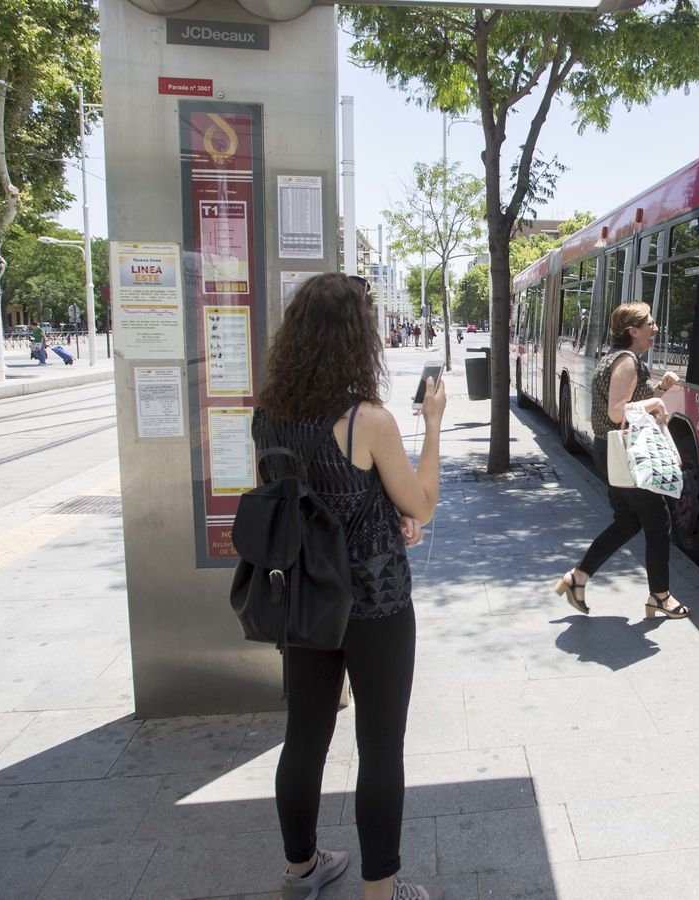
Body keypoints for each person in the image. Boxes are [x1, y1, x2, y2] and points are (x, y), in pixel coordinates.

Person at [253, 272, 446, 900]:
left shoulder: (269, 415)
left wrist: (386, 515)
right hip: (375, 600)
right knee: (381, 744)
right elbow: (422, 503)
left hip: (304, 594)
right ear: (358, 340)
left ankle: (301, 870)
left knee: (304, 733)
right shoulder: (369, 420)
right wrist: (434, 424)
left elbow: (309, 501)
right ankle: (380, 890)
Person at [554, 302, 689, 620]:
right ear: (633, 331)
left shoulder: (616, 358)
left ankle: (578, 578)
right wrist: (656, 400)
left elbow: (629, 401)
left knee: (628, 521)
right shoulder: (627, 360)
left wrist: (660, 389)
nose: (655, 329)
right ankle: (660, 596)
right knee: (658, 521)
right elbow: (618, 411)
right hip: (625, 453)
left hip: (611, 451)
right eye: (650, 324)